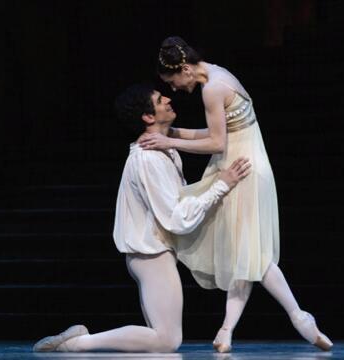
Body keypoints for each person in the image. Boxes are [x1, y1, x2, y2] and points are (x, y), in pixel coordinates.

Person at [138, 36, 333, 352]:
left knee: (253, 255)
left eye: (172, 80)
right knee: (244, 252)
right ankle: (226, 331)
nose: (173, 89)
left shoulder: (212, 89)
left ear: (185, 69)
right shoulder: (218, 74)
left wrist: (170, 142)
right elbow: (222, 133)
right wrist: (173, 133)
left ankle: (300, 318)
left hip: (240, 170)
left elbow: (217, 143)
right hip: (246, 164)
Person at [32, 84, 251, 353]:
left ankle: (78, 341)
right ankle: (77, 343)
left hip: (151, 254)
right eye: (160, 100)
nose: (169, 99)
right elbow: (176, 217)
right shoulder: (148, 158)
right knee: (167, 340)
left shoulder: (162, 148)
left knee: (159, 342)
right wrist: (221, 185)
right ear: (148, 117)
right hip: (151, 254)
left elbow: (211, 138)